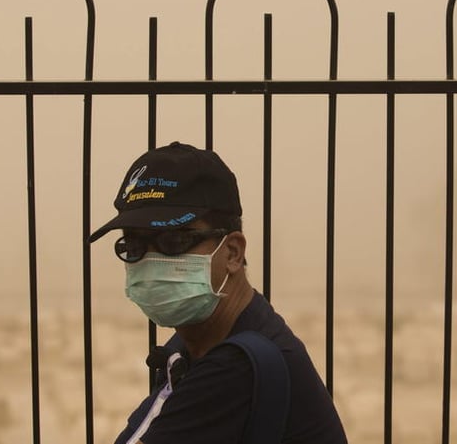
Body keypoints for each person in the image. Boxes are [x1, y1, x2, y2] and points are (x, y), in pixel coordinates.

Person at [89, 141, 348, 444]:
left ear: (233, 253)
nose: (151, 261)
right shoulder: (194, 345)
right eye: (134, 246)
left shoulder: (235, 367)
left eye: (174, 241)